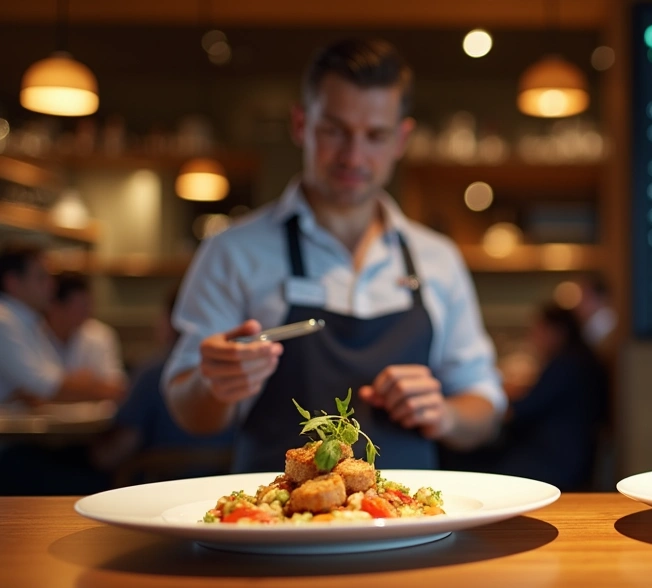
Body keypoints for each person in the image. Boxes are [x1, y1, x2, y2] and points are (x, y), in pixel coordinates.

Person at [163, 38, 505, 472]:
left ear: (402, 138)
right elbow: (186, 408)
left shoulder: (438, 258)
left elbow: (485, 406)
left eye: (375, 136)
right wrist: (215, 384)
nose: (353, 156)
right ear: (301, 124)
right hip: (273, 525)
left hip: (408, 522)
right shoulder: (232, 251)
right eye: (334, 130)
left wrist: (447, 413)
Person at [440, 304, 608, 491]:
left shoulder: (566, 365)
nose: (534, 338)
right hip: (569, 453)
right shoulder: (579, 359)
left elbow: (525, 410)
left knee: (466, 459)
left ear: (557, 331)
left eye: (538, 330)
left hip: (553, 460)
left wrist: (490, 402)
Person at [93, 285, 235, 480]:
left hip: (156, 487)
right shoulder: (237, 370)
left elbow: (122, 445)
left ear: (172, 320)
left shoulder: (154, 372)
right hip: (222, 486)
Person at [0, 244, 125, 406]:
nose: (51, 285)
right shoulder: (4, 322)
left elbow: (53, 380)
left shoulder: (27, 321)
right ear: (12, 282)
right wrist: (104, 389)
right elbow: (46, 387)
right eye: (41, 277)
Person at [43, 272, 126, 387]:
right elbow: (29, 392)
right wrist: (81, 381)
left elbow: (115, 386)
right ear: (55, 306)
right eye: (80, 306)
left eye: (87, 304)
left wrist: (61, 384)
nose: (88, 311)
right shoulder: (34, 334)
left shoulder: (100, 334)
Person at [573, 272, 616, 349]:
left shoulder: (604, 325)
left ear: (599, 297)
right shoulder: (590, 324)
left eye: (585, 297)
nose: (579, 303)